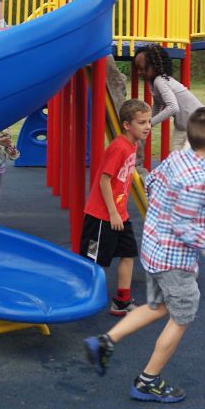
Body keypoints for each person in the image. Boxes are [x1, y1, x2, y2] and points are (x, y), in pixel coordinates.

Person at [82, 108, 205, 403]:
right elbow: (183, 226)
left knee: (159, 305)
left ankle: (105, 342)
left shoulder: (176, 157)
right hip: (173, 260)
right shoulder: (199, 177)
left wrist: (163, 209)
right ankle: (148, 381)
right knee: (182, 315)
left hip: (154, 249)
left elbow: (151, 182)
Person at [80, 99, 151, 315]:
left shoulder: (133, 144)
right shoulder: (118, 147)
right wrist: (112, 213)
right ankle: (81, 295)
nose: (147, 126)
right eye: (142, 122)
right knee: (93, 260)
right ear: (127, 125)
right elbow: (104, 181)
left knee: (128, 253)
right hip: (101, 216)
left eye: (148, 121)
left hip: (120, 214)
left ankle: (122, 300)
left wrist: (119, 213)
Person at [134, 44, 204, 152]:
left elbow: (173, 107)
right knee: (174, 160)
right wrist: (147, 122)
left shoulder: (160, 81)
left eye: (142, 68)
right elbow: (158, 105)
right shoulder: (152, 82)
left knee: (185, 162)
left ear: (155, 65)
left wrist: (150, 123)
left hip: (199, 125)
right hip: (183, 127)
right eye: (137, 68)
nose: (138, 72)